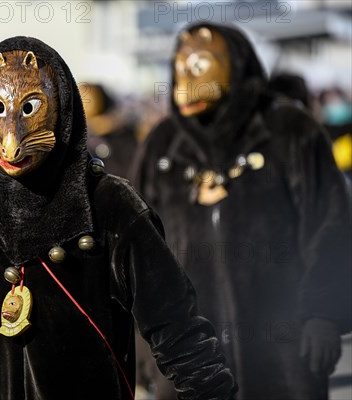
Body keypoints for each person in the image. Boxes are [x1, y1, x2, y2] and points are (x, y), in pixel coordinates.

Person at [0, 36, 236, 399]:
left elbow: (180, 336)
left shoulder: (111, 205)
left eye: (29, 110)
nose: (11, 141)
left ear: (61, 106)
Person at [133, 23, 352, 400]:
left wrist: (323, 314)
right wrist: (143, 347)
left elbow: (330, 225)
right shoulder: (162, 146)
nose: (186, 77)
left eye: (201, 64)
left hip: (284, 350)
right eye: (180, 67)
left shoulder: (291, 132)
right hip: (189, 360)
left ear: (236, 65)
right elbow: (137, 253)